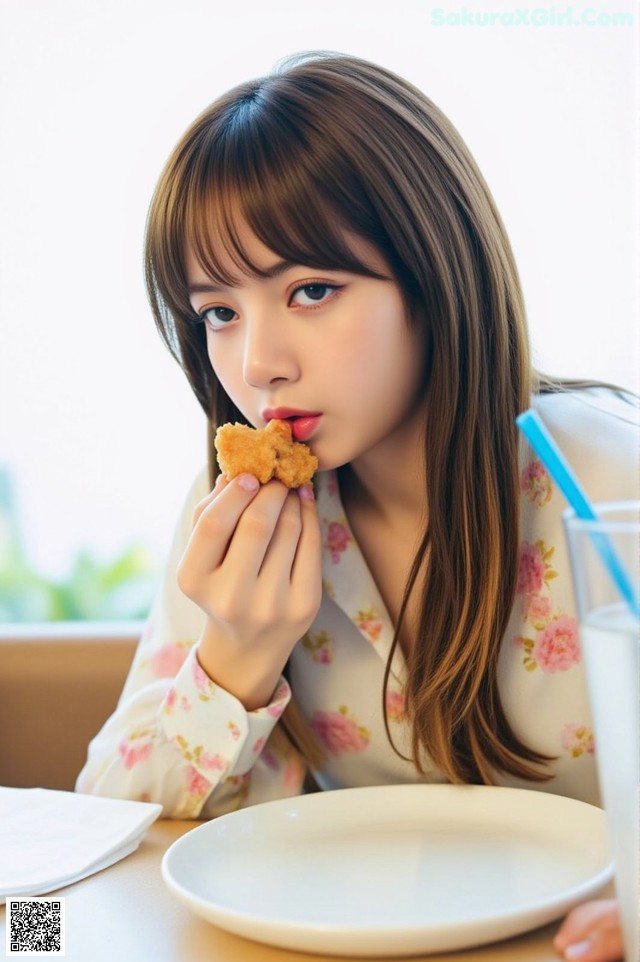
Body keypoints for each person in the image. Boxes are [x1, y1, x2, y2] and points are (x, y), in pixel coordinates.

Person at [76, 52, 637, 962]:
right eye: (218, 311)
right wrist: (239, 657)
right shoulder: (241, 513)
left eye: (310, 290)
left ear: (436, 278)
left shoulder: (610, 483)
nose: (258, 362)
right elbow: (109, 830)